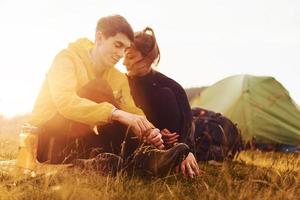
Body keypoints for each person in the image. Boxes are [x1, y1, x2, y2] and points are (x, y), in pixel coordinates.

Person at [27, 15, 190, 176]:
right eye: (117, 45)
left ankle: (143, 158)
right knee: (99, 89)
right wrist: (116, 114)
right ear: (99, 38)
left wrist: (150, 131)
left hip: (79, 140)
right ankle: (137, 160)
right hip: (46, 138)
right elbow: (65, 102)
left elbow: (131, 109)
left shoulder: (117, 76)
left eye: (125, 49)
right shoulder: (67, 59)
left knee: (114, 149)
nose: (121, 54)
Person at [123, 27, 201, 178]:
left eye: (130, 57)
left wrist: (187, 151)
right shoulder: (122, 82)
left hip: (169, 141)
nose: (124, 63)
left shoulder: (171, 87)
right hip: (142, 137)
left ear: (147, 58)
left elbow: (187, 123)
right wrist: (155, 131)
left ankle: (173, 155)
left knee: (165, 94)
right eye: (124, 56)